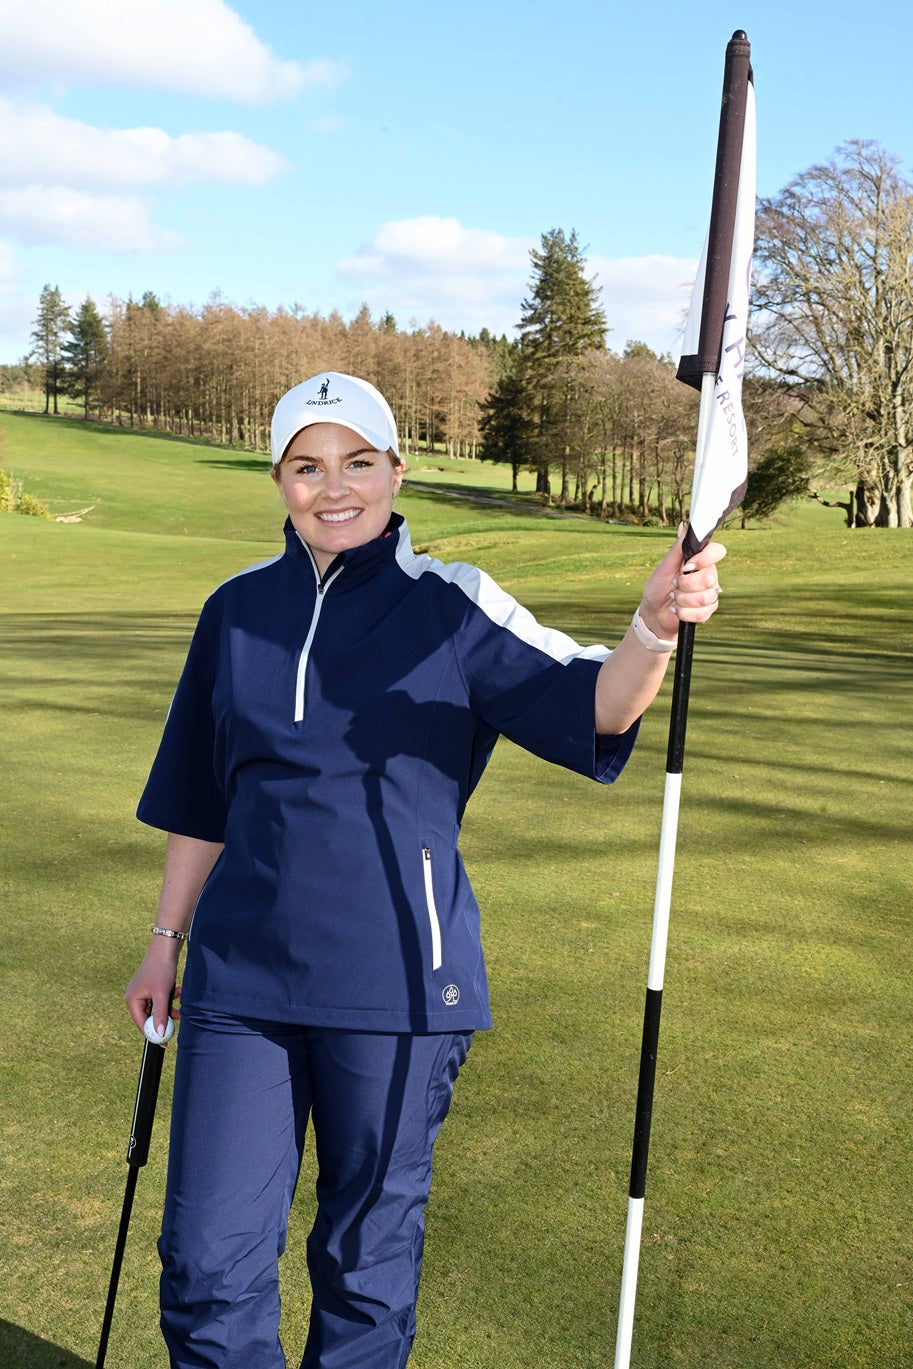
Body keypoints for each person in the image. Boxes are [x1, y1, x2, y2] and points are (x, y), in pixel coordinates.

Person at [125, 371, 724, 1368]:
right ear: (278, 480)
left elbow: (595, 704)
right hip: (239, 985)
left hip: (401, 985)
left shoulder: (452, 605)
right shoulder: (233, 611)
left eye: (357, 461)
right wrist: (163, 943)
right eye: (307, 466)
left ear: (397, 470)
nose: (334, 487)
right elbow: (199, 798)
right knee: (205, 1263)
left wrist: (652, 626)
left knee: (364, 1269)